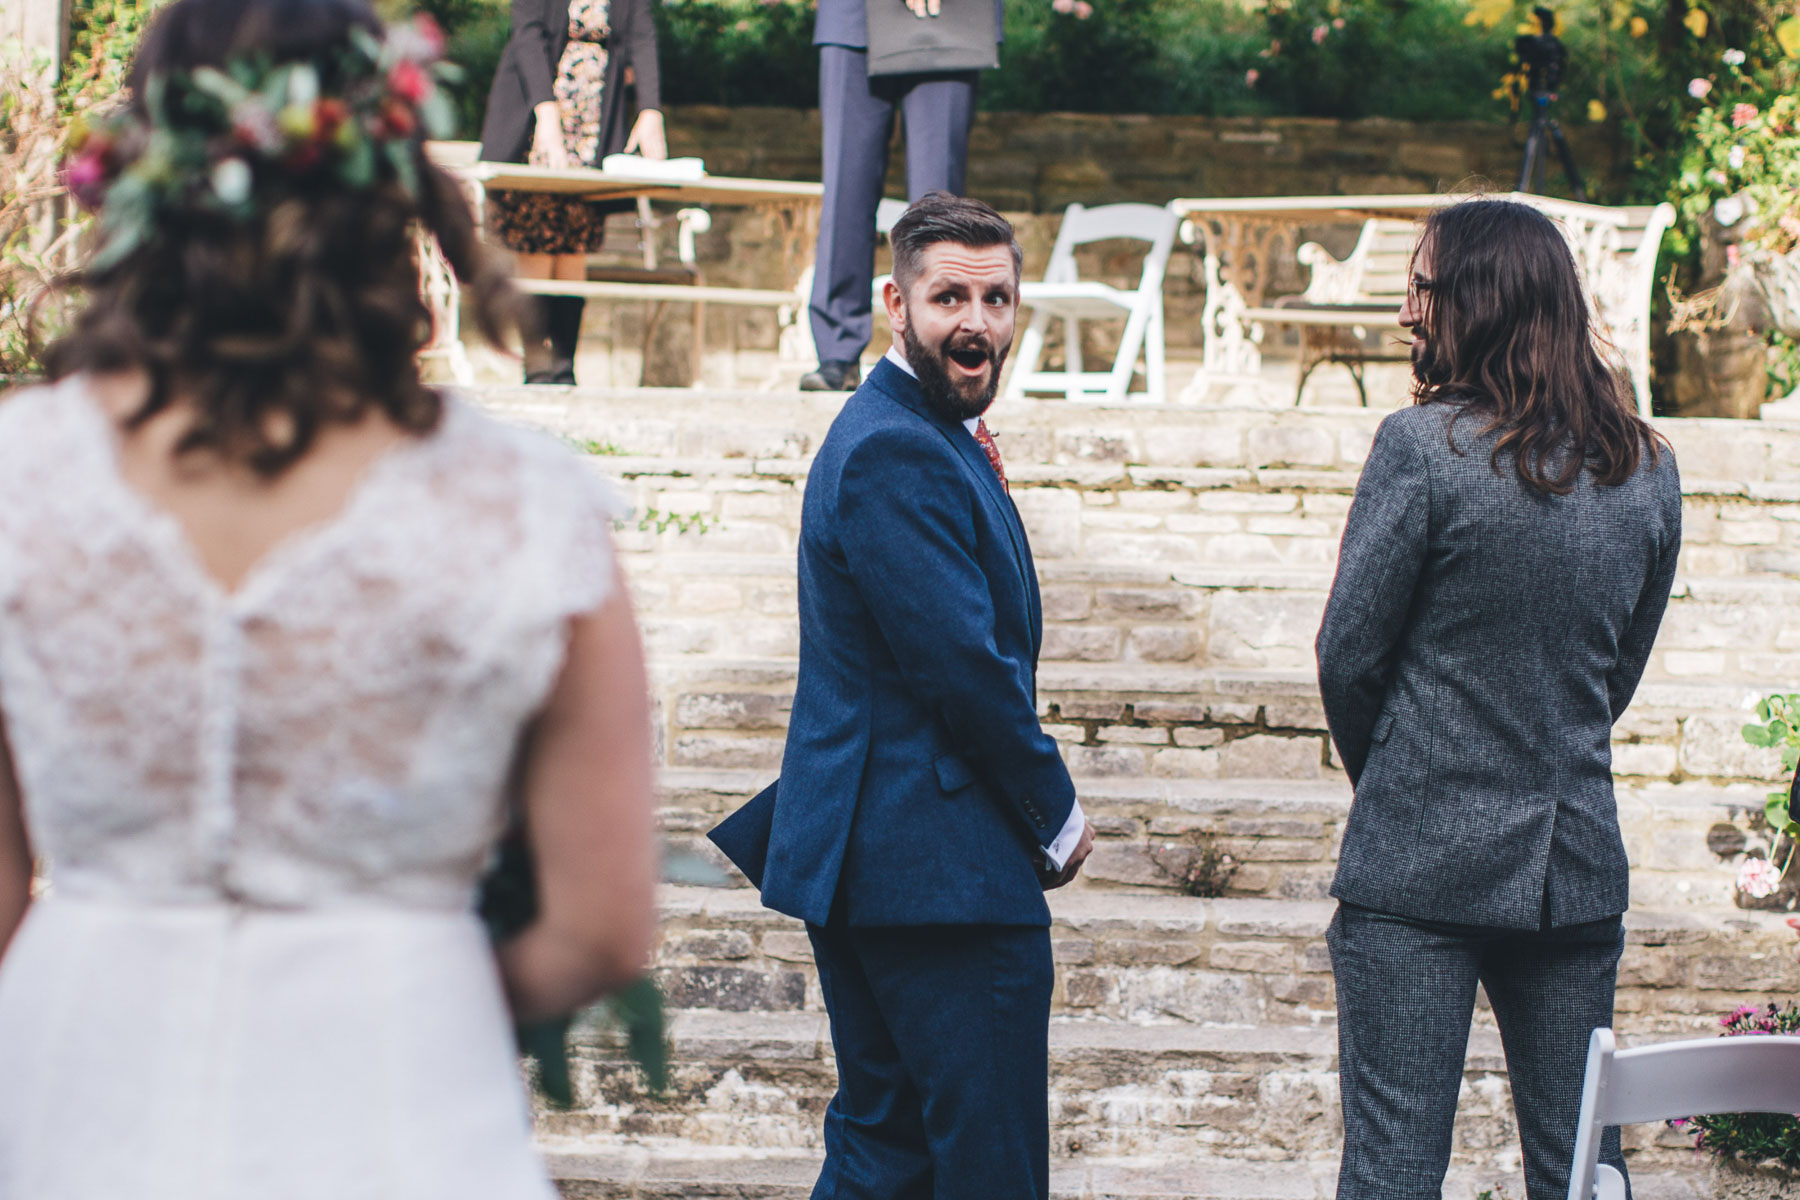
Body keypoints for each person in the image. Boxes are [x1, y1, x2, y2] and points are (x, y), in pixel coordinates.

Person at [0, 1, 658, 1196]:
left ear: (147, 159)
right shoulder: (522, 505)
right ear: (386, 172)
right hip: (395, 1095)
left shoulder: (15, 477)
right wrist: (417, 985)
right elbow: (605, 925)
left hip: (78, 1083)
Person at [709, 192, 1093, 1198]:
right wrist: (1053, 812)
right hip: (934, 868)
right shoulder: (892, 446)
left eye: (997, 299)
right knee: (984, 1165)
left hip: (890, 860)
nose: (977, 321)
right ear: (895, 303)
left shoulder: (928, 431)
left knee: (890, 1152)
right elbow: (963, 664)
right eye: (949, 297)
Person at [1316, 197, 1682, 1200]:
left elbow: (1348, 657)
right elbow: (1616, 679)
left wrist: (1400, 778)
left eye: (1420, 289)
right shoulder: (1649, 471)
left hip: (1415, 871)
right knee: (1581, 1171)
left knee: (1393, 1169)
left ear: (1478, 302)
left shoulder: (1420, 448)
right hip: (1571, 867)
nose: (1404, 315)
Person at [798, 0, 1004, 392]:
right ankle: (837, 352)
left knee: (937, 208)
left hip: (949, 17)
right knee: (846, 188)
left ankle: (935, 352)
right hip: (852, 18)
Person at [480, 0, 666, 384]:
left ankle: (564, 365)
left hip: (594, 120)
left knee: (574, 239)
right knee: (536, 236)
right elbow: (527, 36)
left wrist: (650, 109)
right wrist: (546, 116)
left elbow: (643, 36)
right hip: (540, 114)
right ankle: (537, 364)